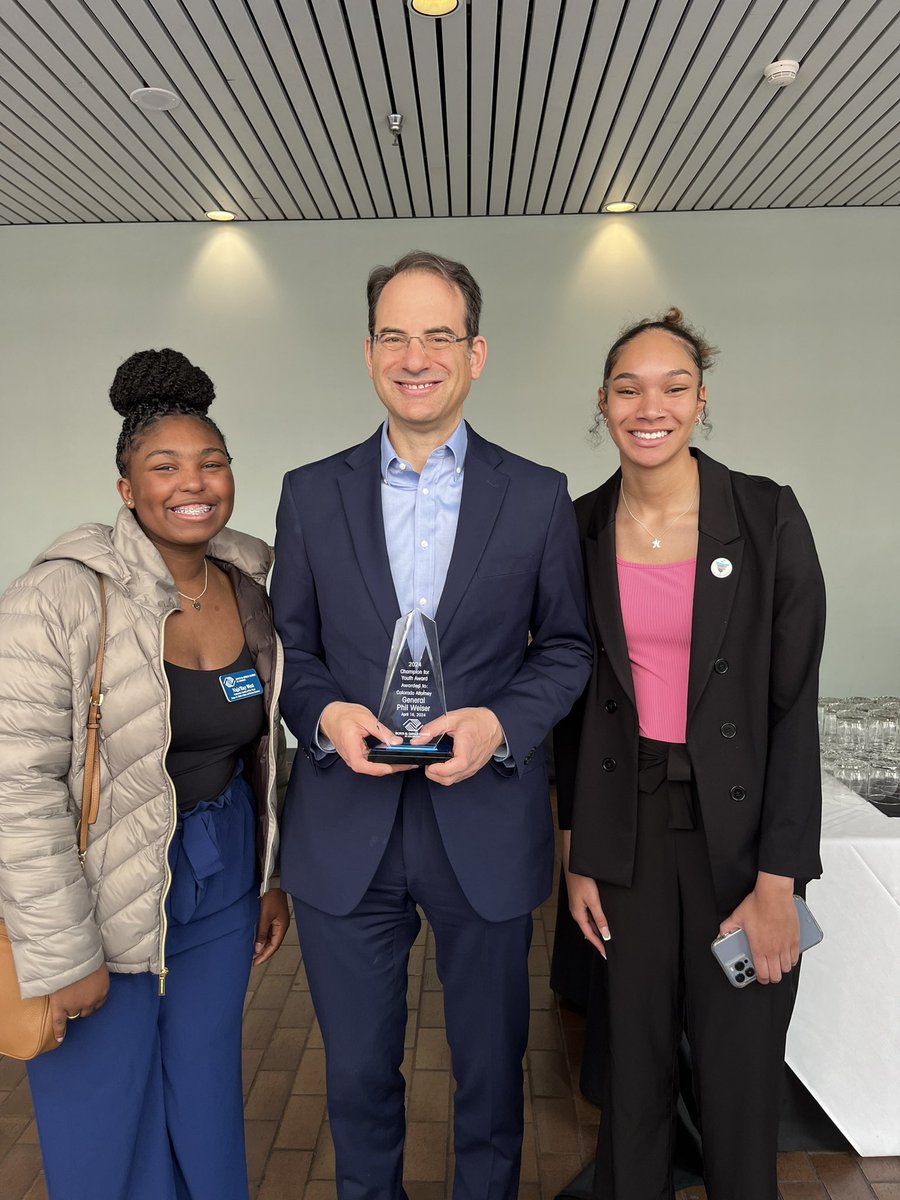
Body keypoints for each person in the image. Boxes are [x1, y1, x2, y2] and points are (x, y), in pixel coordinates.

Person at [270, 250, 592, 1200]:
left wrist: (500, 723)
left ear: (476, 352)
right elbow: (289, 648)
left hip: (482, 820)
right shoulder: (309, 492)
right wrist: (328, 713)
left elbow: (567, 648)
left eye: (439, 335)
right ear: (369, 352)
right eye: (396, 335)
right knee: (360, 1075)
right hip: (345, 825)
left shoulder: (535, 495)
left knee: (492, 1074)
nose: (417, 355)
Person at [0, 349, 290, 1200]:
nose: (192, 483)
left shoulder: (247, 586)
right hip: (102, 875)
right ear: (127, 489)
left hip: (221, 866)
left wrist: (266, 879)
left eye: (210, 463)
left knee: (203, 1082)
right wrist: (62, 955)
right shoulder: (56, 598)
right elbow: (15, 788)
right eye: (163, 467)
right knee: (100, 1095)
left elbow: (261, 751)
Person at [555, 309, 826, 1200]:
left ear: (701, 401)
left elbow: (793, 708)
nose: (651, 405)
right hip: (624, 838)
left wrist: (779, 880)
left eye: (674, 386)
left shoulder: (767, 515)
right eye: (628, 387)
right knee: (631, 1076)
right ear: (603, 402)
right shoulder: (579, 528)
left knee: (739, 1077)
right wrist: (576, 852)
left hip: (740, 845)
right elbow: (571, 705)